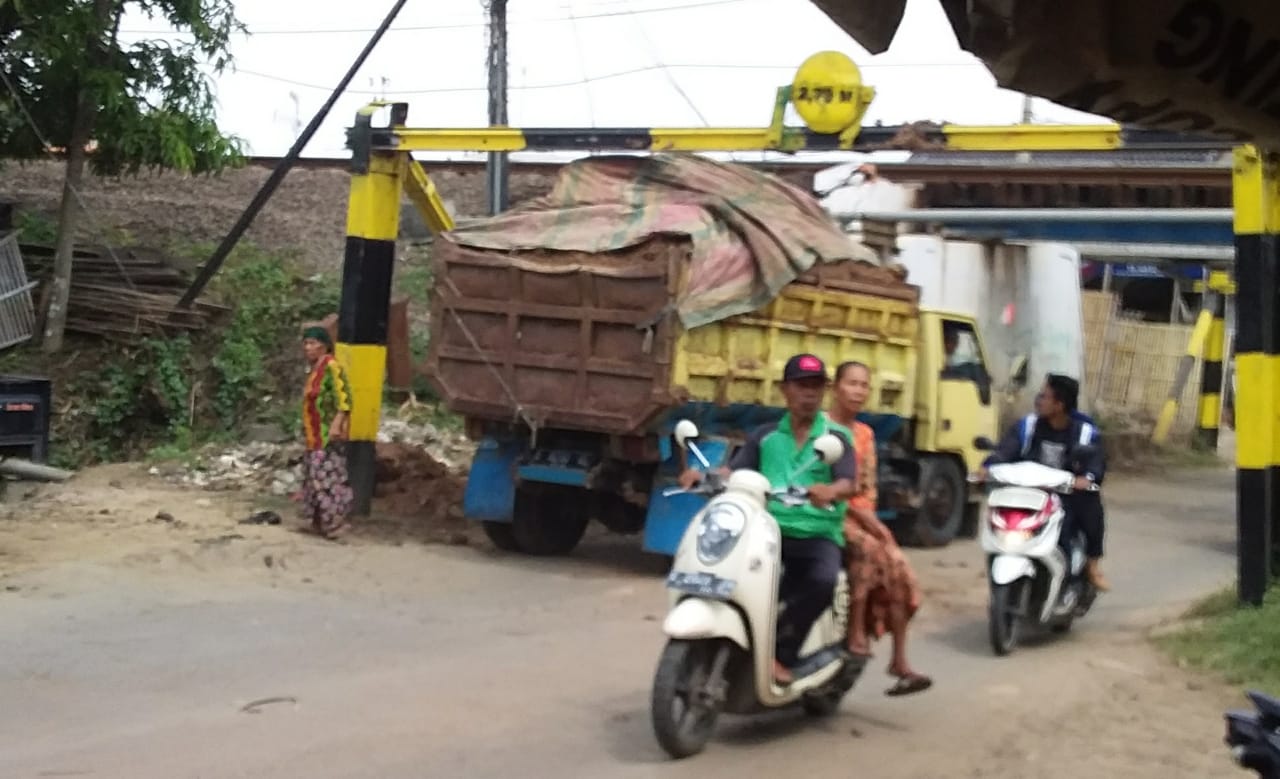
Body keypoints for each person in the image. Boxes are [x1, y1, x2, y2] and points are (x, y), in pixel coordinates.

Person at [678, 354, 857, 685]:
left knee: (821, 581)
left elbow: (849, 482)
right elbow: (732, 471)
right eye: (802, 385)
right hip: (767, 532)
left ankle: (783, 654)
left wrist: (830, 490)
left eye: (816, 386)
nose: (809, 393)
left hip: (816, 534)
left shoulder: (836, 439)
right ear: (785, 390)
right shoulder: (764, 436)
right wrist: (700, 476)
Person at [829, 361, 933, 697]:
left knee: (899, 567)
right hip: (824, 512)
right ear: (836, 387)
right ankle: (857, 630)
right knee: (871, 550)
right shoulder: (820, 429)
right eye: (852, 384)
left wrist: (873, 523)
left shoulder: (865, 435)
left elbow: (867, 490)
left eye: (864, 385)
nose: (858, 391)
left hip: (857, 515)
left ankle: (899, 660)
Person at [977, 373, 1110, 591]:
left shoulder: (1084, 432)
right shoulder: (1028, 425)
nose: (1038, 400)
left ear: (1059, 404)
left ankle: (1092, 565)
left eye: (1044, 396)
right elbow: (1006, 449)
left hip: (1064, 496)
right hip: (1027, 493)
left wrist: (1087, 478)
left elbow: (1096, 461)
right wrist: (988, 466)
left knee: (1091, 506)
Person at [300, 325, 354, 540]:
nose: (308, 348)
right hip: (313, 434)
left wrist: (337, 424)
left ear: (324, 346)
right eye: (305, 343)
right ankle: (317, 521)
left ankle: (335, 523)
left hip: (327, 434)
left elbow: (345, 399)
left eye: (312, 343)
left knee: (328, 479)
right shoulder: (314, 370)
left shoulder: (332, 367)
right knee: (313, 478)